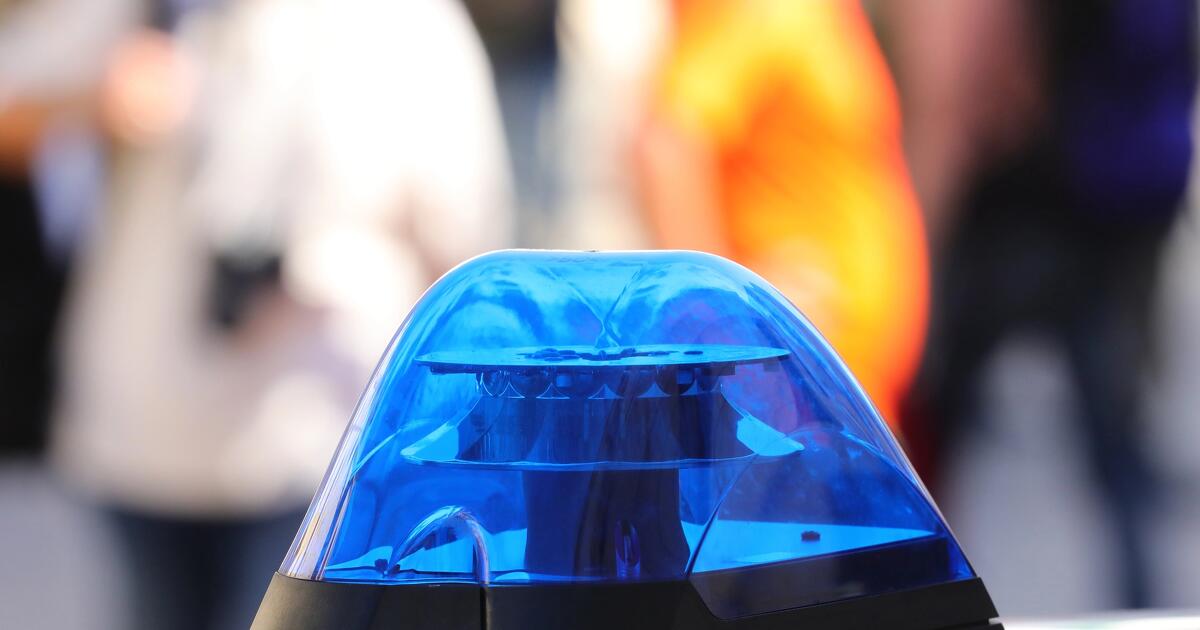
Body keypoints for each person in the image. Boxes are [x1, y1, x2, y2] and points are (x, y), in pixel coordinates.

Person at [50, 0, 513, 627]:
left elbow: (466, 246)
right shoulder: (139, 13)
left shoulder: (404, 23)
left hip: (320, 446)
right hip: (144, 435)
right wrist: (97, 99)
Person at [891, 0, 1197, 609]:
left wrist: (916, 241)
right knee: (1116, 437)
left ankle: (915, 584)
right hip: (1124, 208)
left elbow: (979, 96)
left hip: (1025, 215)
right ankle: (1144, 600)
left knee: (930, 419)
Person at [637, 0, 929, 427]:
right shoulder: (766, 9)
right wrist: (724, 312)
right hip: (785, 395)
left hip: (833, 390)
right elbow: (670, 142)